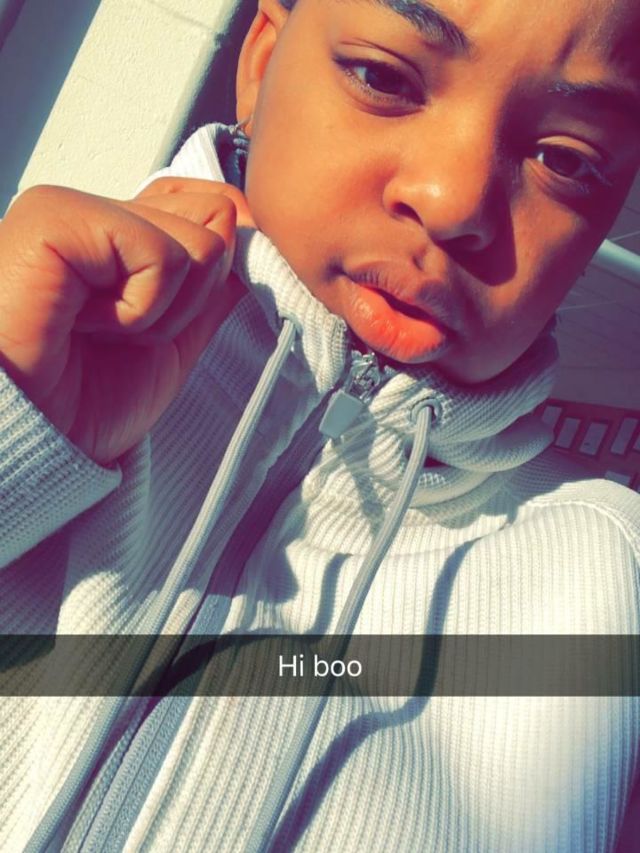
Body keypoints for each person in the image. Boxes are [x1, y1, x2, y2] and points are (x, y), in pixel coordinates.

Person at [1, 0, 639, 849]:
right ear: (263, 60)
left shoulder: (610, 589)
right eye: (383, 77)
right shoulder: (27, 336)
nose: (453, 200)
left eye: (568, 159)